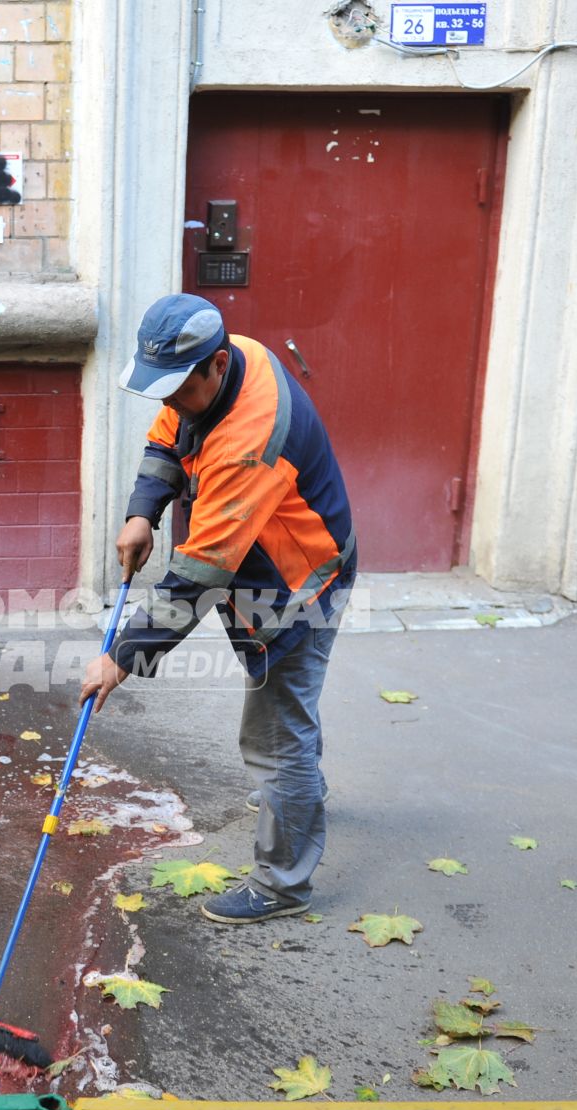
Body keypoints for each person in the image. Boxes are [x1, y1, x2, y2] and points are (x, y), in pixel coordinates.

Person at [81, 294, 357, 924]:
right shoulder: (232, 363)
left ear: (217, 365)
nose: (170, 401)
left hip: (298, 582)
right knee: (288, 723)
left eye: (180, 388)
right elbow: (170, 436)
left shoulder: (248, 439)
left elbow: (197, 579)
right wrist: (141, 512)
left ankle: (283, 885)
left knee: (274, 735)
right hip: (258, 561)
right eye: (162, 389)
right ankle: (302, 800)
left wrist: (119, 658)